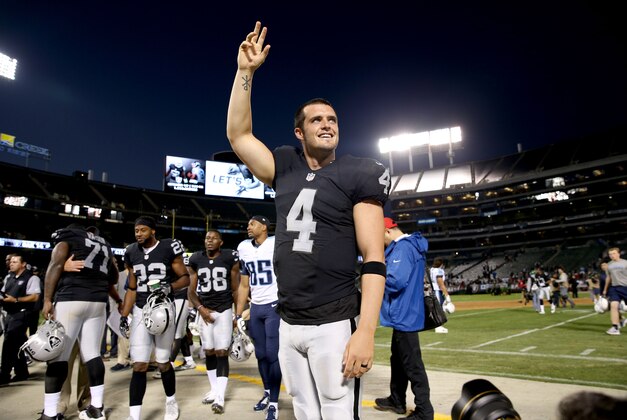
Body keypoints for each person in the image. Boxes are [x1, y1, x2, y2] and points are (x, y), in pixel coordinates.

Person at [227, 21, 390, 419]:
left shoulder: (358, 172)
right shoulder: (285, 164)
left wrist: (365, 332)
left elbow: (373, 257)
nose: (327, 124)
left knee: (337, 414)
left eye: (332, 119)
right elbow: (239, 136)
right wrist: (244, 73)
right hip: (289, 320)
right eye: (317, 120)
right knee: (302, 411)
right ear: (299, 131)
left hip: (334, 320)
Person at [39, 224, 120, 420]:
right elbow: (114, 276)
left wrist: (47, 299)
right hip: (98, 302)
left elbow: (56, 264)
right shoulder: (105, 245)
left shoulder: (71, 235)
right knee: (92, 354)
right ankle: (97, 408)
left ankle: (50, 413)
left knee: (58, 356)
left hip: (72, 299)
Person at [120, 216, 190, 420]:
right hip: (142, 309)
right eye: (136, 231)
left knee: (162, 362)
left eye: (142, 230)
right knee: (139, 364)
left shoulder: (168, 248)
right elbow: (132, 288)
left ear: (153, 231)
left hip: (163, 309)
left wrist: (169, 287)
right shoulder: (131, 251)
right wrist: (125, 315)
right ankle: (134, 415)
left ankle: (171, 401)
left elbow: (185, 278)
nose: (138, 234)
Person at [374, 218, 434, 420]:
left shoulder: (402, 248)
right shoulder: (408, 246)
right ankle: (397, 399)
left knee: (412, 364)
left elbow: (395, 282)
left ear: (387, 231)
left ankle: (424, 411)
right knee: (399, 360)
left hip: (404, 314)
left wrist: (376, 270)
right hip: (405, 312)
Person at [187, 229, 239, 414]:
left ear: (221, 242)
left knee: (221, 351)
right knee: (208, 351)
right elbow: (191, 291)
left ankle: (220, 397)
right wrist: (200, 309)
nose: (209, 240)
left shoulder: (229, 258)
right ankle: (214, 389)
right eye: (207, 238)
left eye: (213, 238)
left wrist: (236, 313)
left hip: (223, 309)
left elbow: (235, 288)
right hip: (205, 310)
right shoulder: (195, 259)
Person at [236, 215, 282, 420]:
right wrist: (238, 313)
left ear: (264, 227)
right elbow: (244, 284)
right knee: (261, 355)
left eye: (252, 223)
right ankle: (266, 392)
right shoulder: (244, 247)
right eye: (247, 224)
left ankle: (274, 402)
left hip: (274, 305)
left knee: (273, 355)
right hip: (256, 308)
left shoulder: (276, 243)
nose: (248, 227)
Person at [0, 254, 41, 385]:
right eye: (10, 262)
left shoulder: (32, 277)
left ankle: (3, 374)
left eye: (14, 262)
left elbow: (34, 296)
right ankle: (22, 372)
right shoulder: (9, 277)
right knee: (17, 344)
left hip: (22, 313)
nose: (11, 264)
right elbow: (3, 291)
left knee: (8, 344)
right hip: (10, 314)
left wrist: (16, 300)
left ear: (23, 264)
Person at [602, 247, 627, 336]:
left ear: (619, 253)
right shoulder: (609, 265)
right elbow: (608, 278)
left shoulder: (625, 263)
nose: (612, 255)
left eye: (614, 253)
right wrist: (605, 289)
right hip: (614, 288)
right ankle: (615, 328)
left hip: (625, 287)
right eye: (610, 254)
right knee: (613, 306)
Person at [429, 258, 452, 333]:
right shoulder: (439, 271)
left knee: (437, 307)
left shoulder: (431, 269)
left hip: (431, 290)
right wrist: (447, 295)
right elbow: (441, 284)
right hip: (436, 290)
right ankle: (438, 327)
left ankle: (436, 325)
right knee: (437, 308)